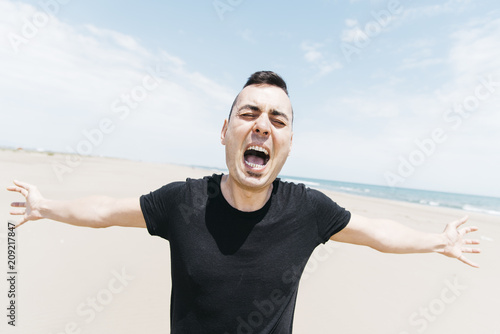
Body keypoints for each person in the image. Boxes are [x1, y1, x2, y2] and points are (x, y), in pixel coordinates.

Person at [7, 71, 480, 334]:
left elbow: (375, 233)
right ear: (225, 131)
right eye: (249, 113)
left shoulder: (308, 211)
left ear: (289, 142)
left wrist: (437, 241)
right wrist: (46, 206)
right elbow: (108, 211)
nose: (262, 126)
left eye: (278, 119)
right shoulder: (183, 201)